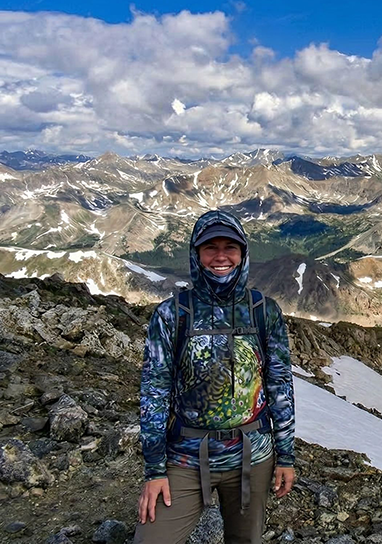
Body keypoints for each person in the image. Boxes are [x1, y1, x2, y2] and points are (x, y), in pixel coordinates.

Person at [134, 210, 295, 544]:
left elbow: (280, 385)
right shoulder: (171, 314)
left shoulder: (264, 311)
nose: (221, 256)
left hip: (254, 455)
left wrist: (287, 456)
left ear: (243, 254)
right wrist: (154, 471)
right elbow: (154, 392)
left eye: (230, 247)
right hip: (184, 459)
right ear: (196, 254)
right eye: (210, 247)